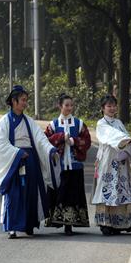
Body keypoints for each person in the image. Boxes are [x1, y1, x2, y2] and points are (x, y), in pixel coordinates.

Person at [0, 85, 59, 239]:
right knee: (13, 194)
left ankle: (29, 225)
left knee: (31, 193)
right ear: (14, 101)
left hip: (30, 160)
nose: (25, 103)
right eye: (22, 100)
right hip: (13, 161)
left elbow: (40, 139)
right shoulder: (3, 122)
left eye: (26, 100)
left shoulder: (29, 121)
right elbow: (0, 143)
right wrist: (17, 153)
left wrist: (50, 149)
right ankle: (12, 227)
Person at [91, 95, 131, 235]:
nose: (112, 108)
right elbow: (111, 135)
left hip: (121, 161)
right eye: (108, 106)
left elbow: (124, 135)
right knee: (108, 186)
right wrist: (125, 139)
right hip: (108, 160)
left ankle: (126, 222)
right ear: (103, 108)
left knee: (123, 186)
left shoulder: (119, 122)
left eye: (114, 105)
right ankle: (107, 223)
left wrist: (128, 149)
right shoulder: (101, 123)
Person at [44, 93, 91, 235]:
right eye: (66, 105)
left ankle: (70, 224)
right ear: (60, 106)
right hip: (60, 165)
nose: (69, 108)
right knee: (60, 192)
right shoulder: (53, 124)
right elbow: (45, 141)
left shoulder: (79, 123)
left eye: (71, 105)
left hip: (75, 166)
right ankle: (59, 220)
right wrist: (59, 138)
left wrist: (74, 141)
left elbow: (87, 141)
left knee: (73, 193)